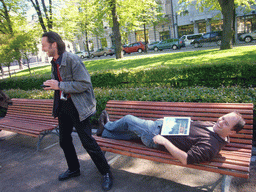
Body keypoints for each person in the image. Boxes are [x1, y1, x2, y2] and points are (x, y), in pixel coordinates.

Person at [41, 31, 113, 191]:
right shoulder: (55, 61)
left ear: (54, 44)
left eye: (44, 45)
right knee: (64, 140)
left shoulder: (72, 59)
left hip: (78, 107)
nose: (42, 48)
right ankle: (74, 169)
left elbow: (84, 84)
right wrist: (52, 84)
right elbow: (60, 81)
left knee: (88, 142)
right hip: (63, 106)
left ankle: (106, 172)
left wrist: (59, 85)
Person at [97, 110, 245, 165]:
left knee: (129, 120)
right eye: (223, 118)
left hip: (157, 137)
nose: (220, 121)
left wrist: (164, 141)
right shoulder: (214, 128)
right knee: (130, 134)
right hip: (163, 127)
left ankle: (107, 126)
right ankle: (103, 133)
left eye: (226, 123)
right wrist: (172, 121)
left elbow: (186, 159)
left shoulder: (211, 146)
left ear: (232, 132)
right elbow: (191, 128)